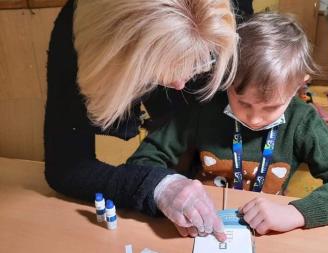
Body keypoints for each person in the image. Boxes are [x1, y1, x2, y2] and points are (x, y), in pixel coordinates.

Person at [128, 13, 328, 235]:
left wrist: (296, 213)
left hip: (267, 230)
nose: (255, 119)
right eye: (243, 102)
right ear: (227, 76)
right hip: (199, 224)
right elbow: (140, 163)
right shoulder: (203, 107)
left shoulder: (302, 121)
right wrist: (168, 190)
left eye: (271, 107)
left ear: (300, 83)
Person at [44, 0, 240, 241]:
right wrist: (157, 186)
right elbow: (65, 168)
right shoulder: (79, 34)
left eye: (201, 61)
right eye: (152, 69)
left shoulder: (225, 18)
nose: (180, 84)